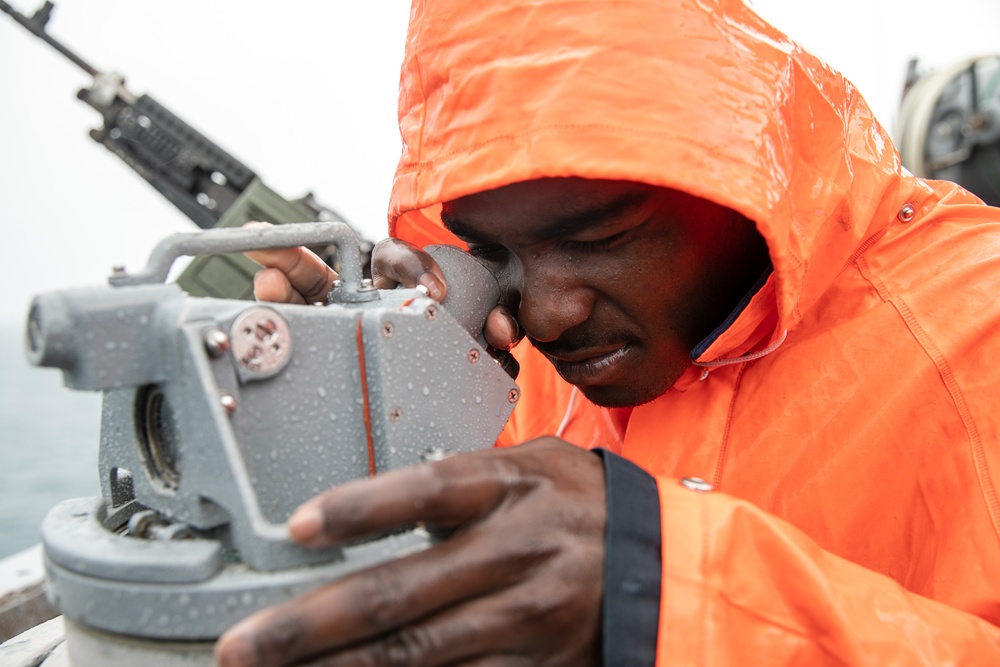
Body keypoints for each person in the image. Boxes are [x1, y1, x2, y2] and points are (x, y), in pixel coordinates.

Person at [215, 0, 1000, 664]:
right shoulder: (538, 365)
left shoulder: (980, 320)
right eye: (496, 253)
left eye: (600, 238)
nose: (552, 316)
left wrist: (662, 590)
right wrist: (366, 416)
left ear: (740, 175)